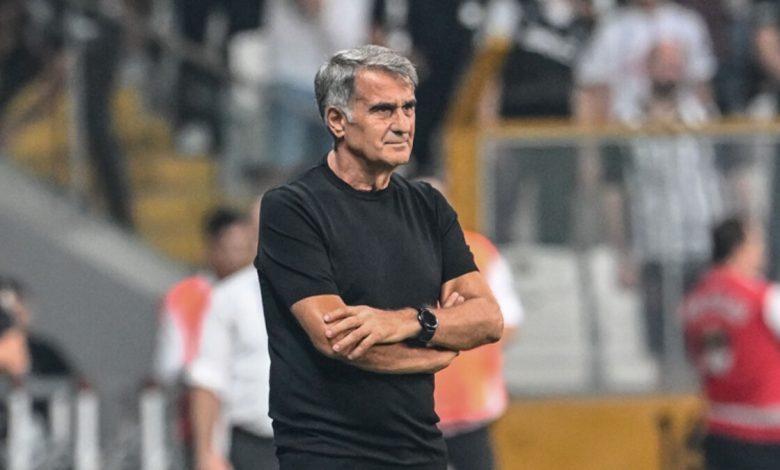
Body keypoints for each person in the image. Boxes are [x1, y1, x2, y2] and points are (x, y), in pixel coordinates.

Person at [256, 45, 504, 469]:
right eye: (383, 110)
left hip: (421, 447)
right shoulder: (292, 208)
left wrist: (409, 322)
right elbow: (337, 339)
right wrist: (436, 349)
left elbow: (488, 319)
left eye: (408, 108)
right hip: (327, 452)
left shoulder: (429, 205)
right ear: (337, 120)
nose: (402, 124)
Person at [600, 40, 725, 364]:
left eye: (676, 63)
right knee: (659, 339)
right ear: (647, 68)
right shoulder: (626, 121)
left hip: (699, 241)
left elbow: (723, 178)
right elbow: (615, 191)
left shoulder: (702, 116)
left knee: (704, 335)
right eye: (664, 63)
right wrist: (622, 252)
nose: (671, 71)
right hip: (652, 243)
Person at [152, 207, 261, 469]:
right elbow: (172, 366)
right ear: (213, 248)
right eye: (231, 248)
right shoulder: (187, 296)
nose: (238, 256)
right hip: (203, 422)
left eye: (244, 247)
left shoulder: (260, 292)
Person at [681, 217, 780, 469]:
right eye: (756, 242)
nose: (762, 250)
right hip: (764, 431)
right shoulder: (763, 298)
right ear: (738, 249)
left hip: (718, 425)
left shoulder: (693, 299)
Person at [187, 202, 275, 470]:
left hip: (317, 442)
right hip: (253, 444)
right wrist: (206, 453)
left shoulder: (332, 291)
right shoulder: (228, 297)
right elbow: (208, 379)